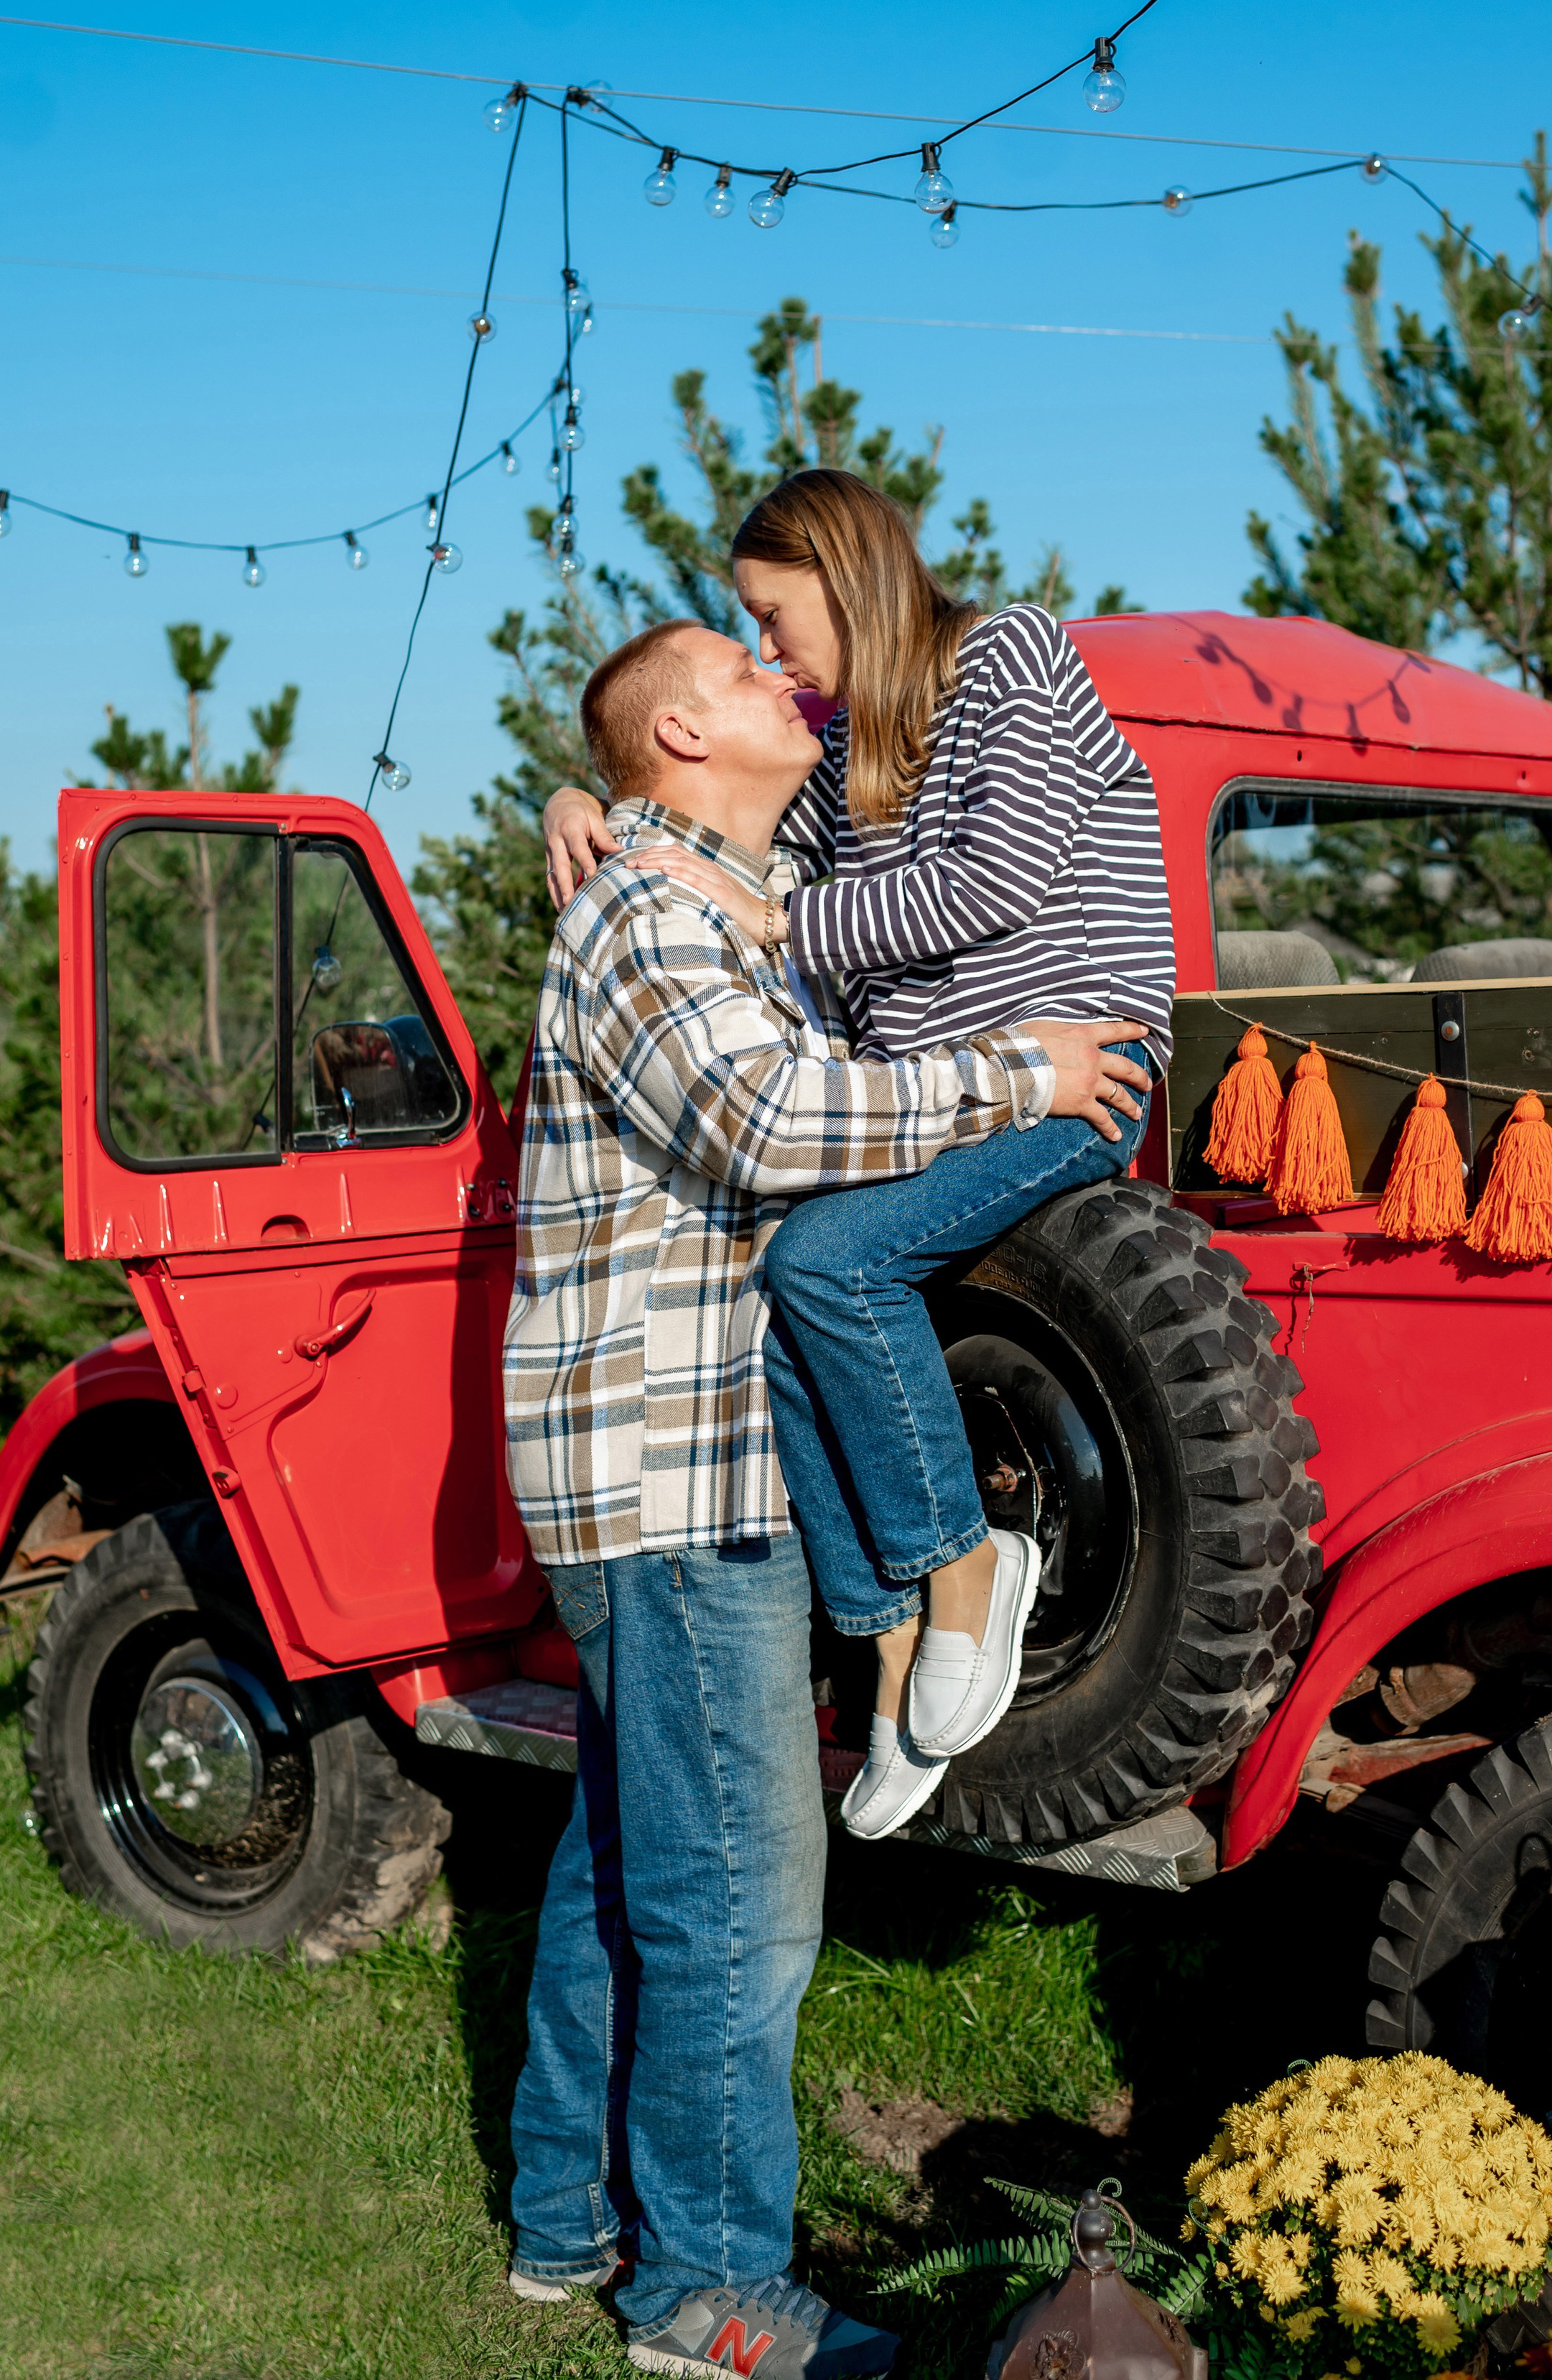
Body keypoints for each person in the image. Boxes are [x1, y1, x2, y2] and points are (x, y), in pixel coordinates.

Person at [505, 610, 1146, 2378]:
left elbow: (871, 864)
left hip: (646, 1475)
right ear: (683, 743)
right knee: (739, 1901)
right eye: (737, 670)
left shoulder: (711, 891)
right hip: (673, 1478)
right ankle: (706, 2295)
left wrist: (586, 788)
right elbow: (771, 1120)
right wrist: (1021, 1073)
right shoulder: (642, 923)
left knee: (627, 1856)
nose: (778, 680)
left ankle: (568, 2220)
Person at [543, 468, 1174, 1844]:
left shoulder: (1008, 653)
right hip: (951, 1099)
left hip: (1072, 1077)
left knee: (828, 1258)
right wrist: (577, 805)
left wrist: (780, 933)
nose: (772, 652)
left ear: (844, 573)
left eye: (775, 616)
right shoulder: (839, 754)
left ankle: (967, 1570)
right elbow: (745, 860)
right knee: (788, 1301)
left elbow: (986, 885)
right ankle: (892, 1652)